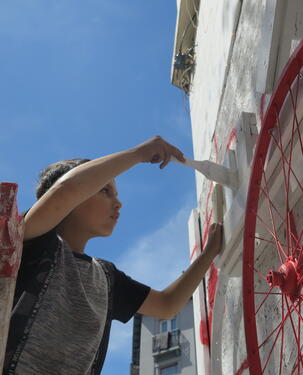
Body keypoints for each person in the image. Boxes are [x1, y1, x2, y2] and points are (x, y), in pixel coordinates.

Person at [3, 136, 223, 375]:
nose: (118, 203)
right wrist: (140, 153)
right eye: (105, 190)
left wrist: (209, 252)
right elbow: (66, 191)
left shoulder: (106, 278)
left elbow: (167, 305)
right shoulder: (32, 239)